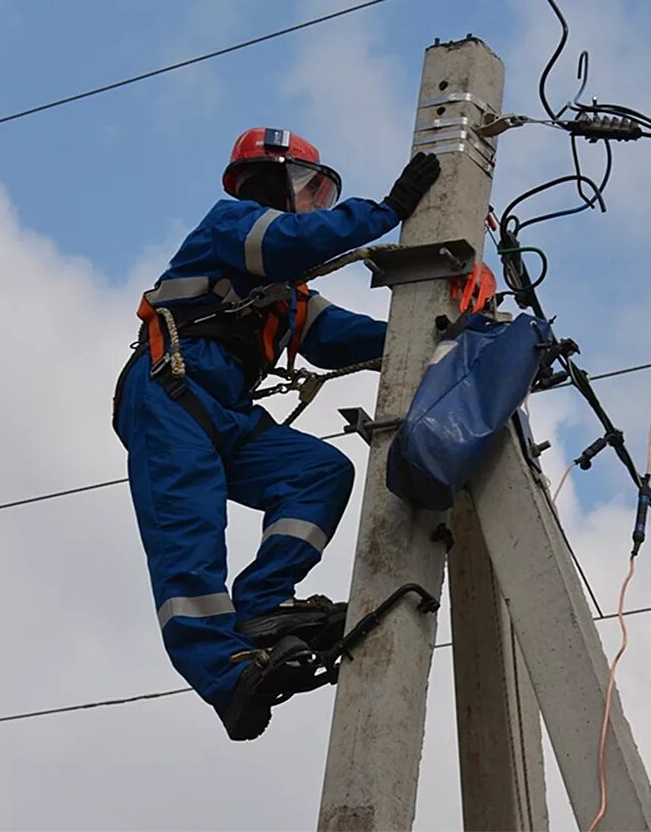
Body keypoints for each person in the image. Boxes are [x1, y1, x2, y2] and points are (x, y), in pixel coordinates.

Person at [112, 127, 441, 740]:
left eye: (325, 193)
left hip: (226, 413)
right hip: (168, 399)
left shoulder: (286, 296)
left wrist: (438, 331)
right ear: (272, 181)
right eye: (310, 189)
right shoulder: (233, 225)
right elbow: (293, 241)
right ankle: (225, 676)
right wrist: (385, 213)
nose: (316, 202)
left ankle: (263, 604)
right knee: (190, 541)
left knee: (318, 473)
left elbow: (342, 337)